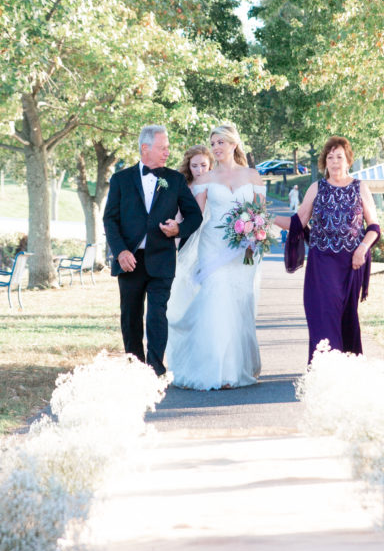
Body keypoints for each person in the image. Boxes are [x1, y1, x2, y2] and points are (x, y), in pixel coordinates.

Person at [166, 122, 264, 390]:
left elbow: (259, 214)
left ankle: (235, 368)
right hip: (212, 246)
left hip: (243, 249)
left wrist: (253, 236)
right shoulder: (205, 180)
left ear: (233, 144)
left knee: (238, 303)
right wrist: (175, 228)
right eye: (213, 144)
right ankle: (216, 371)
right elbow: (195, 216)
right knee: (217, 298)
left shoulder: (252, 176)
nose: (216, 148)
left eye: (220, 142)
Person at [103, 125, 203, 376]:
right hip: (130, 260)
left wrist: (178, 229)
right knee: (130, 317)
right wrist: (121, 252)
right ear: (145, 148)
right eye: (163, 148)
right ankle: (135, 370)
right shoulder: (120, 179)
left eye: (168, 148)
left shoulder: (175, 180)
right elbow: (110, 220)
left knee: (157, 315)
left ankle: (155, 370)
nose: (167, 152)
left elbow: (195, 216)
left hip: (162, 259)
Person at [274, 136, 381, 362]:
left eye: (339, 157)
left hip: (351, 263)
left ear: (348, 160)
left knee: (347, 317)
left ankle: (348, 369)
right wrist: (268, 218)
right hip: (321, 263)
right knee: (322, 315)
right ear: (324, 161)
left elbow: (374, 227)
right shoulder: (316, 187)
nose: (334, 162)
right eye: (330, 157)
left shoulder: (360, 187)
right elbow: (298, 222)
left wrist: (362, 249)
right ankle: (325, 369)